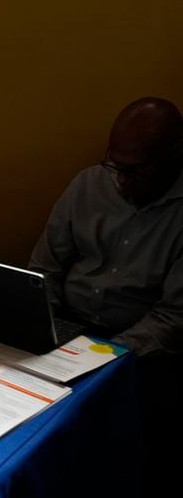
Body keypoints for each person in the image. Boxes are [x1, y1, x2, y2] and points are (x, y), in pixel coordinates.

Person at [28, 96, 183, 494]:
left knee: (113, 450)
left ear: (173, 156)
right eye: (116, 166)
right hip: (69, 323)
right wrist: (40, 321)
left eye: (138, 170)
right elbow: (45, 268)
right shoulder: (89, 183)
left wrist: (107, 358)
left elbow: (171, 318)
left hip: (141, 346)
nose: (123, 181)